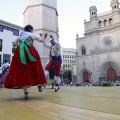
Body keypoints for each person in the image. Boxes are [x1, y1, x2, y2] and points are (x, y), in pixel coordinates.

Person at [4, 25, 46, 99]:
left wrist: (20, 42)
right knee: (35, 67)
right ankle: (40, 85)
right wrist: (43, 36)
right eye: (32, 30)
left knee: (23, 71)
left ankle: (26, 93)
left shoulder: (20, 35)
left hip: (20, 52)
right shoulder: (31, 34)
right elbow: (41, 40)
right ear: (30, 29)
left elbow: (14, 44)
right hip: (30, 51)